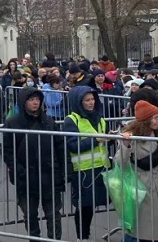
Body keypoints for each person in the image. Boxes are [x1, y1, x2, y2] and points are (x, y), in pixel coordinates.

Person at [2, 87, 65, 240]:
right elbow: (8, 151)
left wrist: (64, 172)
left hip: (49, 176)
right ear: (24, 102)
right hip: (26, 178)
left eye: (37, 99)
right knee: (30, 214)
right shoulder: (13, 123)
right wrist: (18, 171)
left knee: (53, 214)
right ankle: (34, 238)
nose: (35, 102)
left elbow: (60, 148)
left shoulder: (49, 122)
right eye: (31, 99)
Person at [115, 100, 158, 242]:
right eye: (155, 118)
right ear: (145, 121)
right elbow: (120, 164)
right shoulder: (130, 138)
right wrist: (126, 145)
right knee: (138, 230)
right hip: (139, 187)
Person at [63, 86, 109, 242]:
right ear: (79, 102)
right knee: (84, 206)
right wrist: (96, 140)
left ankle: (85, 235)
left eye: (93, 99)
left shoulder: (100, 118)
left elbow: (103, 141)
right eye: (87, 100)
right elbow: (73, 146)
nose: (91, 103)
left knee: (93, 205)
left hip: (101, 167)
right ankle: (82, 237)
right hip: (83, 170)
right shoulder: (72, 120)